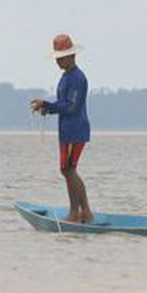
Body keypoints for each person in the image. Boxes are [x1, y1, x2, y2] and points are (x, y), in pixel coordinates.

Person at [30, 34, 93, 223]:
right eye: (57, 57)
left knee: (69, 169)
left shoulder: (77, 78)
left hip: (76, 130)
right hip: (67, 130)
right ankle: (84, 212)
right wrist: (47, 109)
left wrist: (48, 106)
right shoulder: (66, 77)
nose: (58, 60)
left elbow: (71, 106)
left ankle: (78, 212)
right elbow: (63, 104)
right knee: (67, 170)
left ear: (72, 56)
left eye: (62, 56)